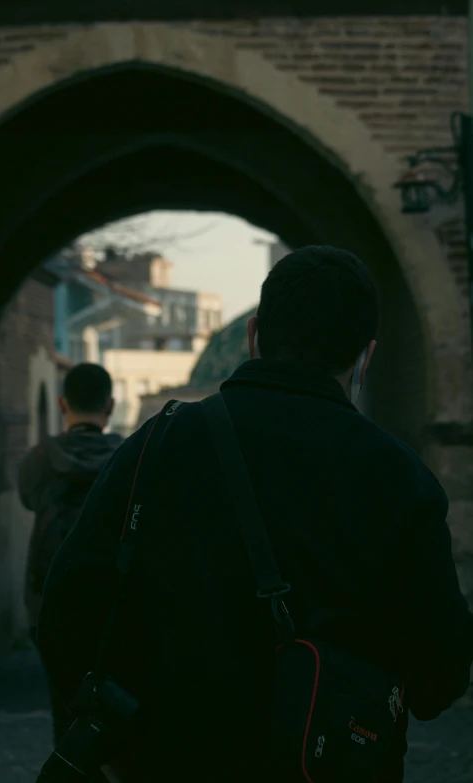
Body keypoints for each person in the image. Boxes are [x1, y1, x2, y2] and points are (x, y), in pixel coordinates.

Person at [37, 247, 473, 782]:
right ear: (366, 357)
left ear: (253, 335)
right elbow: (441, 675)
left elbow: (65, 609)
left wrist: (118, 740)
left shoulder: (160, 444)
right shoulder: (401, 479)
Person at [18, 362, 123, 743]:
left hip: (48, 601)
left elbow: (28, 500)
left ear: (63, 404)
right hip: (115, 603)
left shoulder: (39, 459)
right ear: (110, 406)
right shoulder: (132, 454)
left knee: (62, 704)